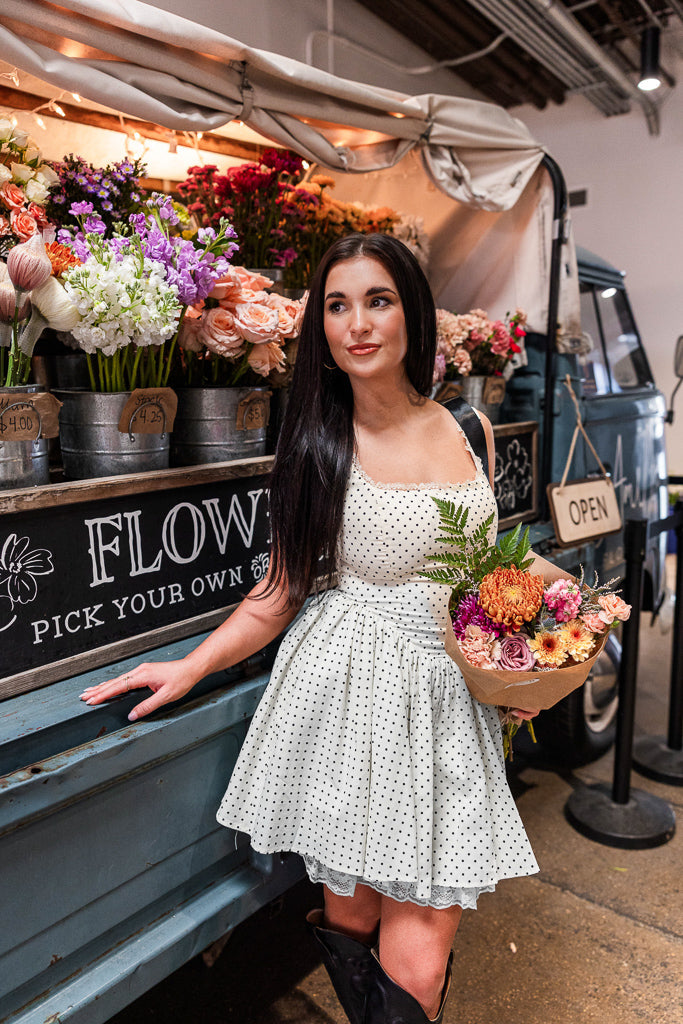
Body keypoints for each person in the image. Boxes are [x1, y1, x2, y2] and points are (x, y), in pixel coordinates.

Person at [81, 233, 569, 1024]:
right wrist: (190, 667)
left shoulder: (467, 427)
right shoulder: (315, 443)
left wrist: (545, 646)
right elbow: (278, 592)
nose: (357, 324)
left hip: (446, 702)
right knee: (353, 927)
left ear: (410, 310)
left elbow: (489, 569)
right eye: (337, 307)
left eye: (376, 300)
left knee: (416, 970)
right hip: (353, 704)